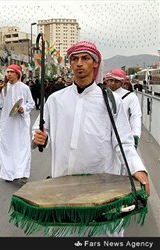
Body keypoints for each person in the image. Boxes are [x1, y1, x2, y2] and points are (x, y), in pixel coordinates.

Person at [32, 41, 150, 237]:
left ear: (95, 64)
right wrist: (40, 137)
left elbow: (124, 142)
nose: (79, 63)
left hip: (102, 188)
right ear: (70, 63)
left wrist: (137, 169)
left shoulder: (111, 100)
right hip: (63, 184)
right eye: (75, 59)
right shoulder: (55, 99)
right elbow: (40, 129)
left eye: (85, 58)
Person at [0, 64, 35, 184]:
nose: (9, 74)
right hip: (7, 123)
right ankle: (8, 173)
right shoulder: (4, 88)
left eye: (12, 72)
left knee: (22, 146)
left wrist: (23, 108)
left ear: (17, 74)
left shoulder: (24, 88)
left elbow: (31, 103)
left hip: (20, 123)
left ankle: (22, 173)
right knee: (6, 147)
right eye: (8, 72)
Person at [105, 68, 142, 150]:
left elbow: (135, 115)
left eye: (116, 81)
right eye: (110, 80)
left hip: (123, 136)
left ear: (122, 82)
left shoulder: (130, 97)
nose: (113, 83)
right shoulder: (101, 95)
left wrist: (135, 134)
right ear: (106, 81)